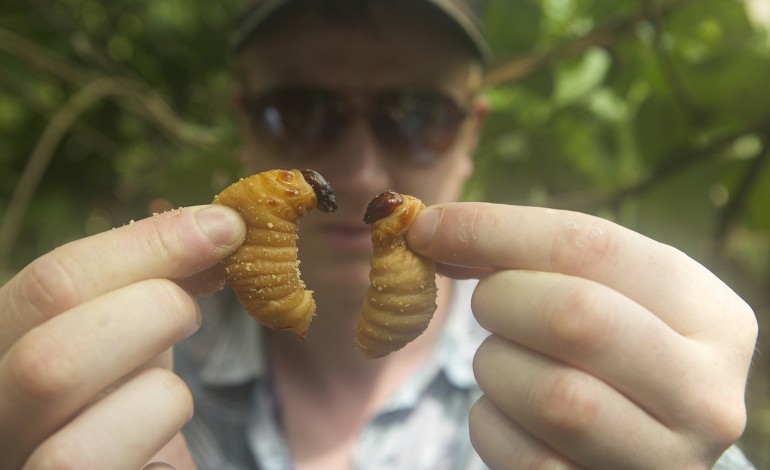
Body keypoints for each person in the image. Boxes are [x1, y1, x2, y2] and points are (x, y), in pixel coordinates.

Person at [0, 0, 759, 468]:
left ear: (472, 134)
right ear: (243, 121)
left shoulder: (591, 388)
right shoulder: (118, 375)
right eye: (299, 111)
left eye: (416, 114)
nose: (360, 168)